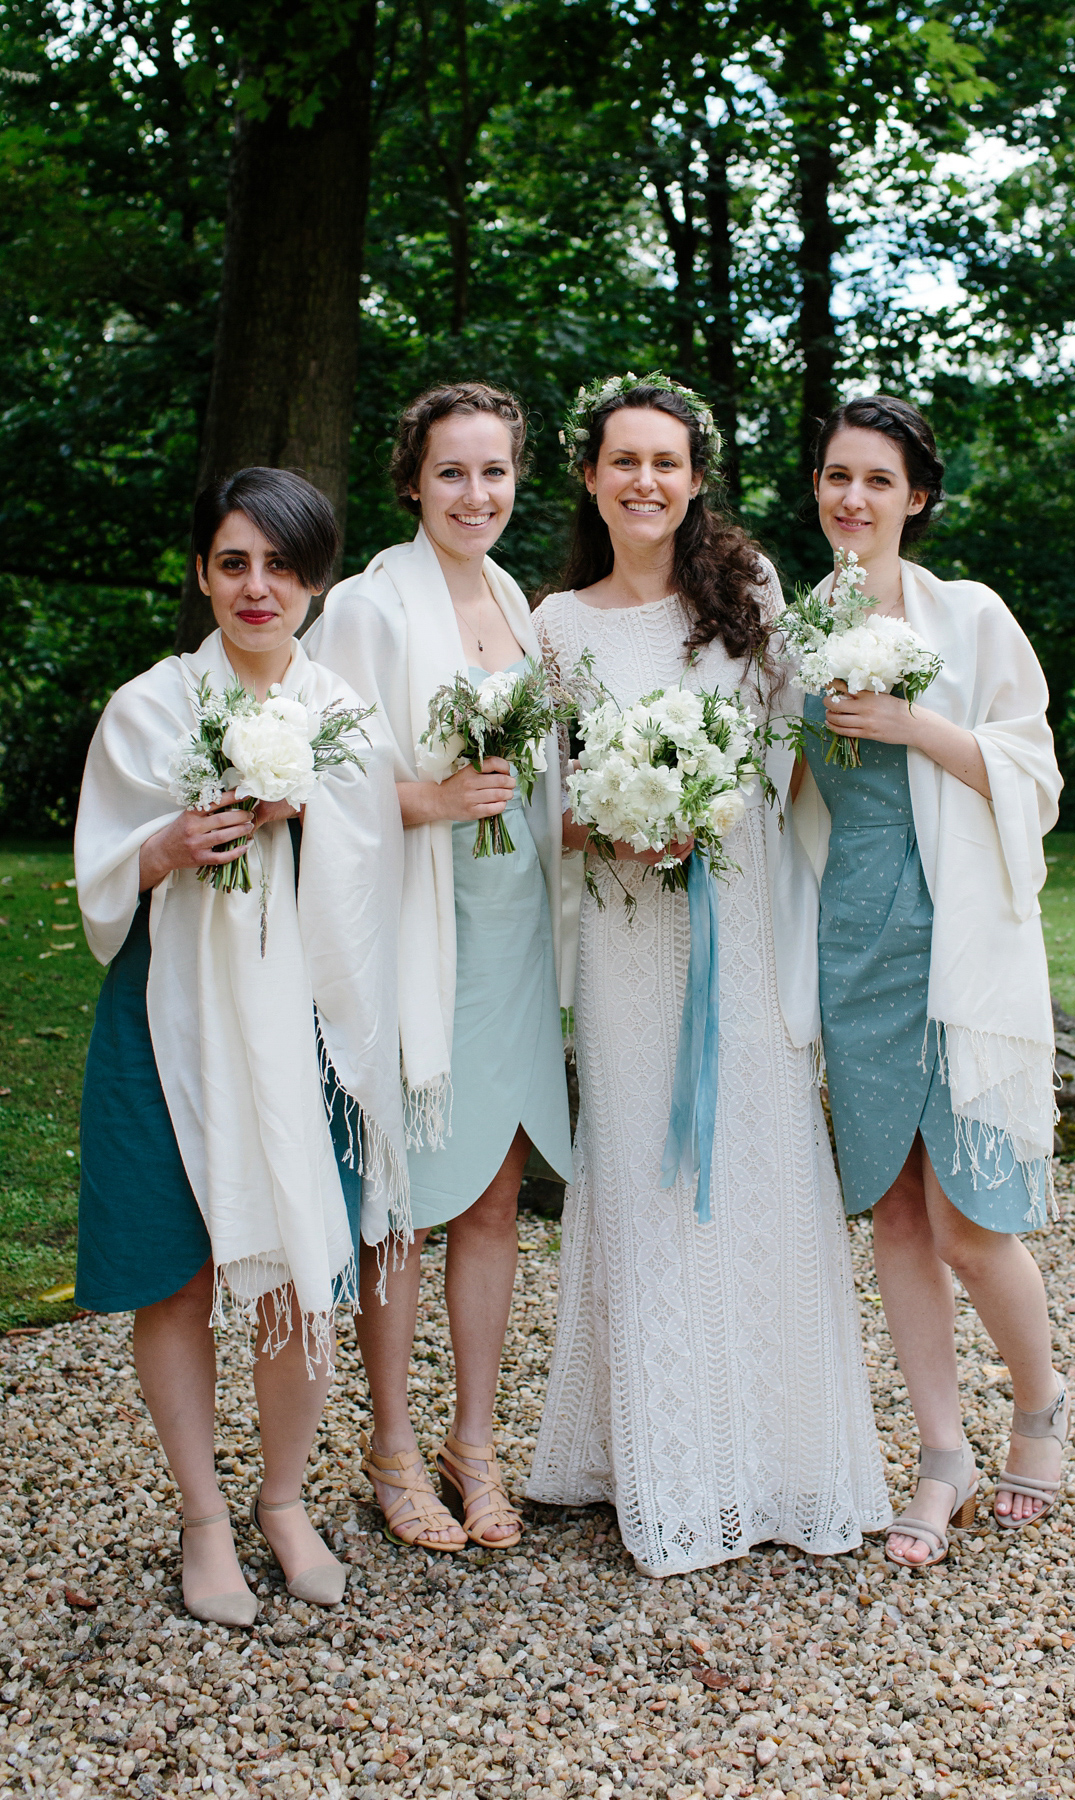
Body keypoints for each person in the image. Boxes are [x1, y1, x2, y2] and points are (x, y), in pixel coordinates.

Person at [526, 372, 890, 1577]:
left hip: (738, 917)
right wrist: (618, 819)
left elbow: (791, 743)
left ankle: (780, 1461)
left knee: (760, 1160)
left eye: (666, 463)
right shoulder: (559, 626)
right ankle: (666, 1465)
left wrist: (710, 816)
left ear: (695, 479)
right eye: (622, 461)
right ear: (589, 477)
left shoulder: (748, 595)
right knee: (641, 1169)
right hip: (626, 937)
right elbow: (542, 803)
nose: (645, 481)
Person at [74, 467, 408, 1625]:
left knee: (305, 1260)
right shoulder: (152, 707)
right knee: (173, 1268)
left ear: (316, 579)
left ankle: (283, 1500)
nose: (257, 588)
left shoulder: (346, 713)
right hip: (168, 1014)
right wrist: (166, 844)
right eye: (233, 562)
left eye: (281, 565)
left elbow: (377, 874)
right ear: (203, 573)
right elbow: (103, 871)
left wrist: (308, 812)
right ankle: (204, 1517)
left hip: (306, 1025)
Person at [794, 394, 1068, 1569]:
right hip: (850, 938)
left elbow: (1032, 768)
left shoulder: (972, 616)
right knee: (896, 1209)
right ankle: (942, 1450)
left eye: (877, 481)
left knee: (969, 1217)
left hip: (952, 929)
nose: (853, 499)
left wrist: (914, 726)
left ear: (917, 498)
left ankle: (1043, 1405)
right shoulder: (795, 628)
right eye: (836, 477)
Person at [305, 383, 572, 1553]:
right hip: (422, 928)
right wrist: (428, 799)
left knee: (497, 1194)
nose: (477, 495)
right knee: (403, 1202)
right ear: (412, 480)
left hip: (515, 931)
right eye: (453, 473)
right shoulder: (368, 606)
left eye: (496, 473)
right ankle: (394, 1448)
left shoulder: (519, 598)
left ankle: (475, 1439)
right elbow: (316, 775)